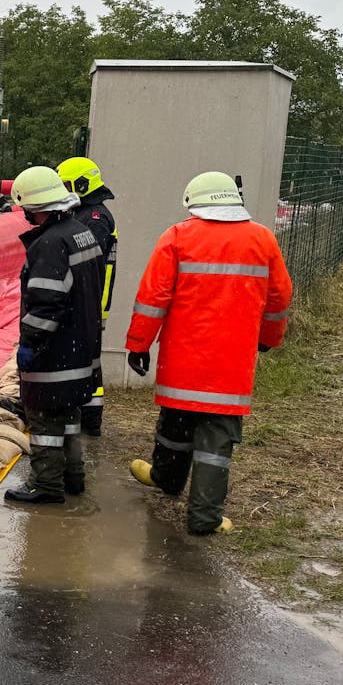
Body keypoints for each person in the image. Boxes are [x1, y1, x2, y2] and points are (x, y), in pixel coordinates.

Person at [126, 172, 292, 535]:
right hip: (230, 365)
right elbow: (279, 298)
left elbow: (153, 296)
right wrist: (269, 337)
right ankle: (204, 517)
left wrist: (138, 344)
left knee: (175, 422)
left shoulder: (178, 236)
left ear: (194, 203)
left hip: (182, 359)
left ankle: (166, 478)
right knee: (215, 442)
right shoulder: (263, 239)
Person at [1, 167, 106, 504]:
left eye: (25, 208)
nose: (24, 215)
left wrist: (30, 343)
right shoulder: (79, 231)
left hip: (56, 350)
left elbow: (47, 302)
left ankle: (46, 486)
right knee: (69, 416)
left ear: (35, 206)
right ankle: (73, 476)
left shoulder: (49, 243)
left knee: (45, 419)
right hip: (81, 345)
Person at [56, 157, 120, 436]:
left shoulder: (95, 217)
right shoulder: (88, 213)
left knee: (87, 358)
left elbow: (86, 261)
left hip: (92, 298)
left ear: (82, 184)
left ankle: (89, 418)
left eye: (67, 185)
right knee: (86, 357)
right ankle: (87, 415)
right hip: (90, 296)